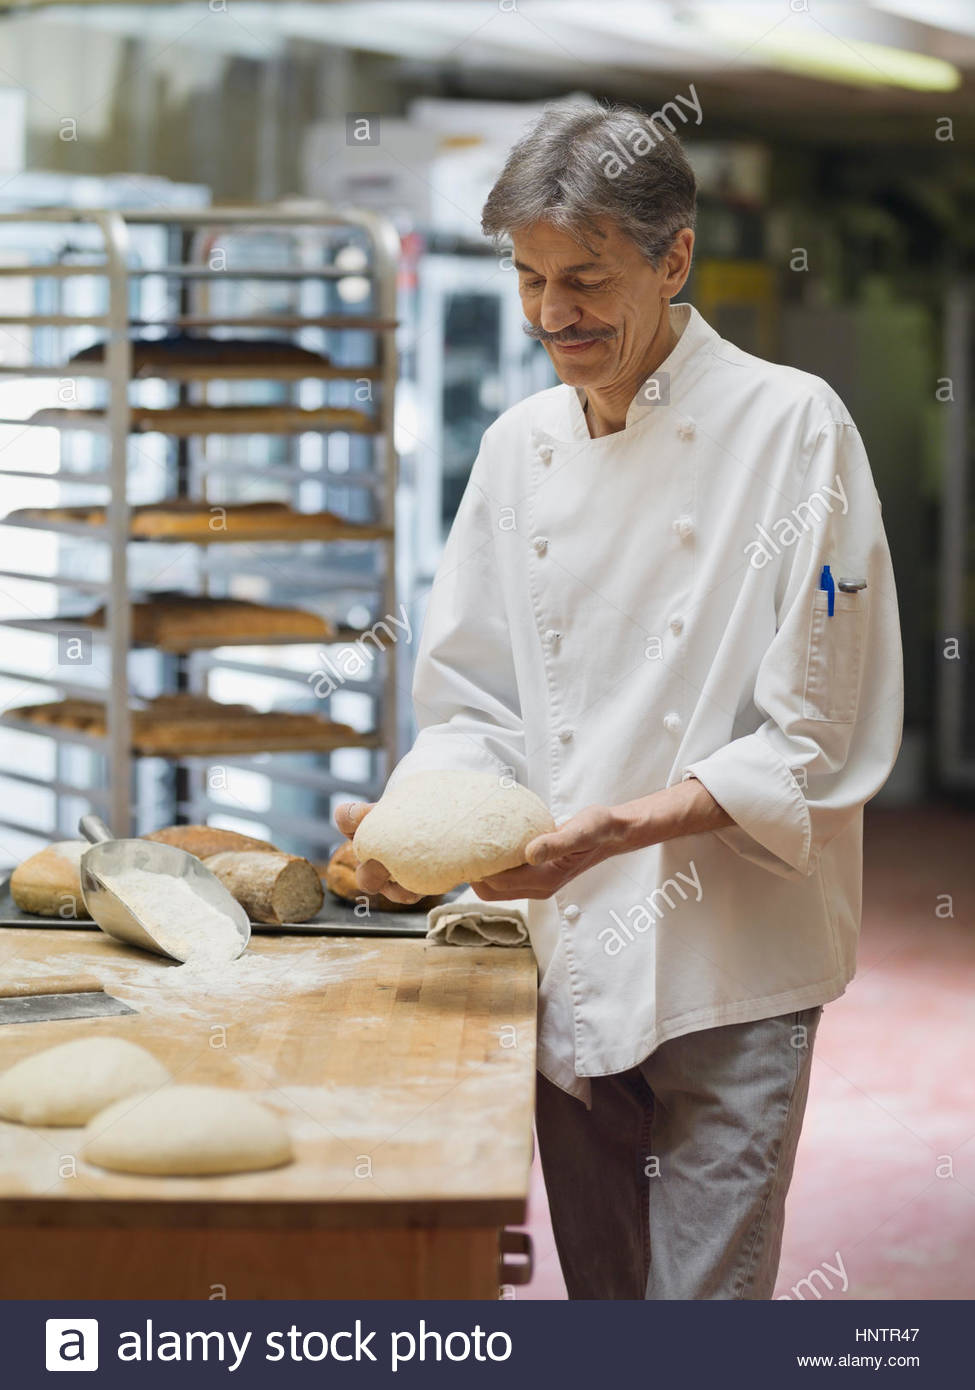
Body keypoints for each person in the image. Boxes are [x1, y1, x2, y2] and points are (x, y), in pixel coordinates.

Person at [337, 103, 904, 1300]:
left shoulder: (793, 426)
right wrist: (412, 833)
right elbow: (476, 700)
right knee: (605, 1307)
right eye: (531, 279)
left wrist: (619, 829)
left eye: (586, 279)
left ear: (674, 258)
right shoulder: (517, 447)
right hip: (568, 946)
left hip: (733, 954)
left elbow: (819, 736)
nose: (554, 314)